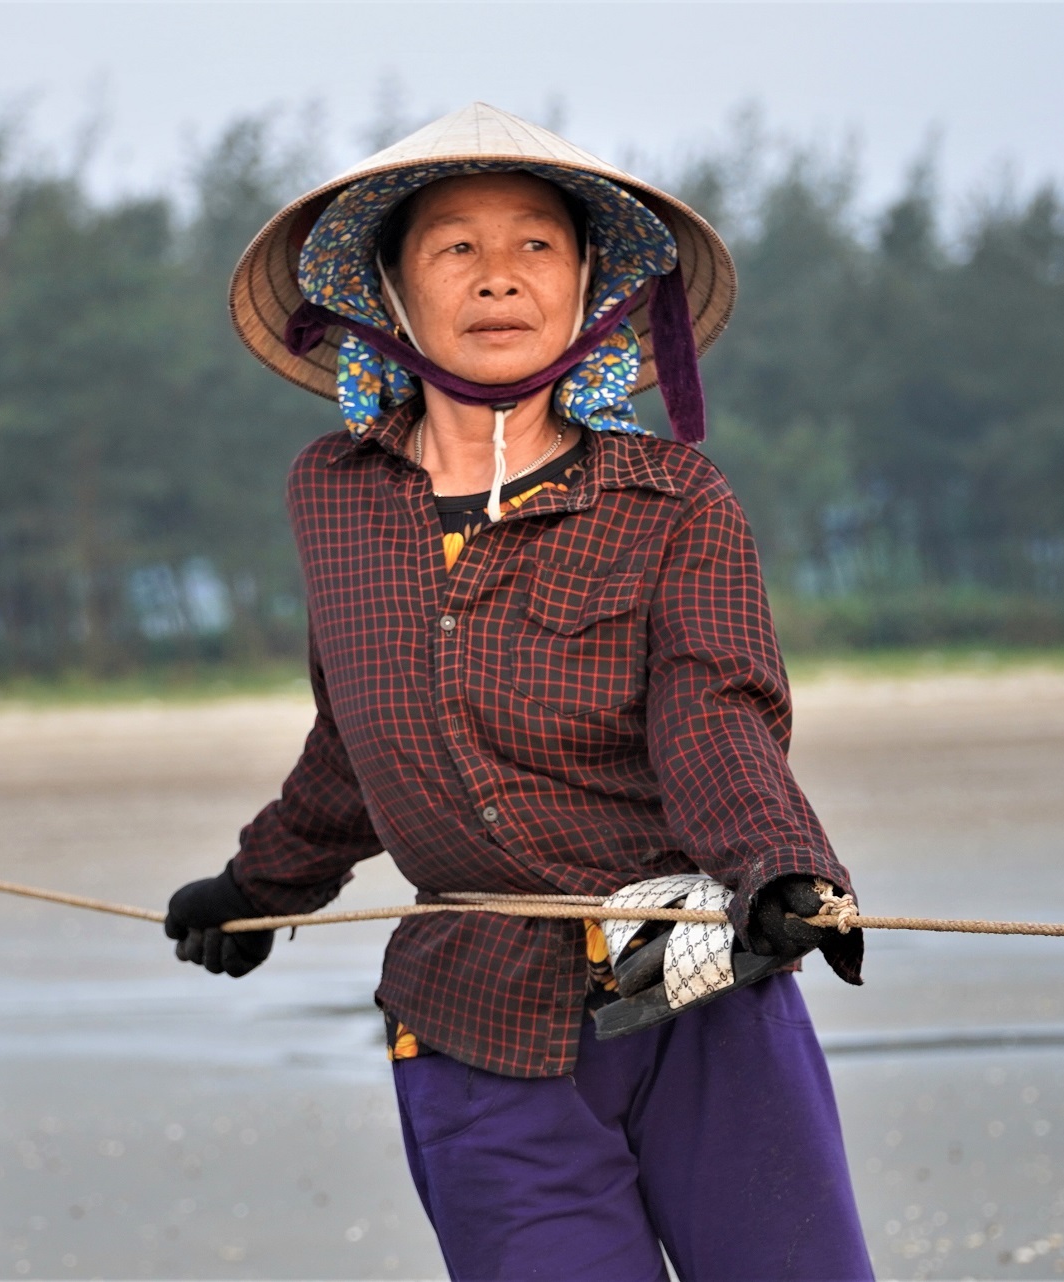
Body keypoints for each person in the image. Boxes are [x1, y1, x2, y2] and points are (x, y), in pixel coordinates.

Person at [164, 103, 874, 1281]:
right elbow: (358, 736)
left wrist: (783, 869)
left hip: (693, 982)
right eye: (456, 247)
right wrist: (257, 885)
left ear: (589, 283)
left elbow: (716, 713)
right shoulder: (333, 495)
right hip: (474, 1013)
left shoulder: (675, 498)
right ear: (389, 293)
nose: (500, 276)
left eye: (536, 244)